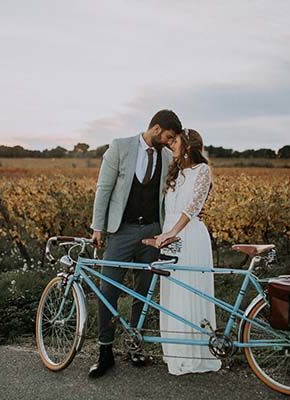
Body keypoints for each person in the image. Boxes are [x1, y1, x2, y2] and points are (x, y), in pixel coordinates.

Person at [88, 109, 183, 378]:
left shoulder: (166, 156)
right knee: (108, 289)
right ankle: (105, 351)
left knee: (144, 291)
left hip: (153, 231)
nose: (169, 141)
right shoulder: (120, 147)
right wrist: (98, 227)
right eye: (168, 136)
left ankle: (135, 344)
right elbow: (104, 188)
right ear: (156, 128)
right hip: (121, 231)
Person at [155, 128, 222, 375]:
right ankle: (175, 350)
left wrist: (173, 232)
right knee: (172, 292)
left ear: (189, 144)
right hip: (168, 234)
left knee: (189, 289)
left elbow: (193, 207)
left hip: (189, 235)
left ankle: (194, 352)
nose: (171, 144)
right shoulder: (176, 172)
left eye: (175, 140)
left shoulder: (202, 171)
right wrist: (165, 234)